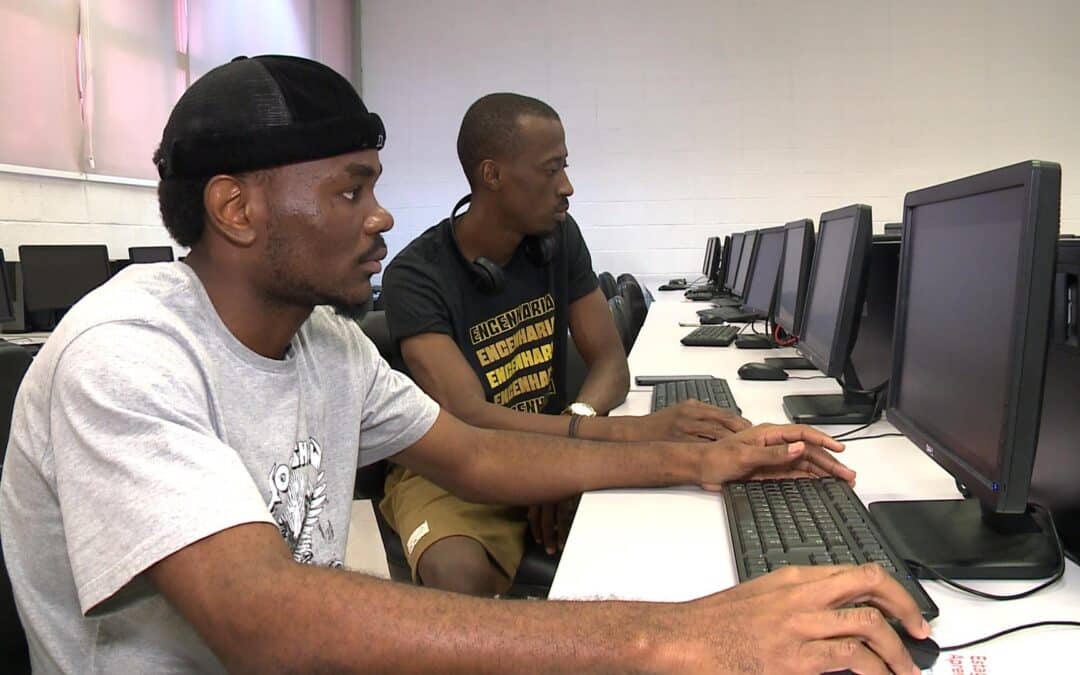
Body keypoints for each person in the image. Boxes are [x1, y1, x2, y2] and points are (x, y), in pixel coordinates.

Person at [0, 55, 929, 674]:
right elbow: (259, 616)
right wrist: (678, 633)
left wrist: (696, 457)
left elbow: (478, 455)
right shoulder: (126, 356)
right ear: (237, 210)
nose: (383, 215)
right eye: (350, 188)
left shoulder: (321, 342)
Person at [381, 92, 748, 595]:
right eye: (551, 170)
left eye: (565, 167)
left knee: (665, 535)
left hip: (552, 441)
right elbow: (469, 416)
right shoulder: (416, 275)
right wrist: (614, 438)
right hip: (449, 467)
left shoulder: (558, 238)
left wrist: (569, 439)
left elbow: (611, 364)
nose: (567, 187)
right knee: (456, 577)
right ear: (492, 175)